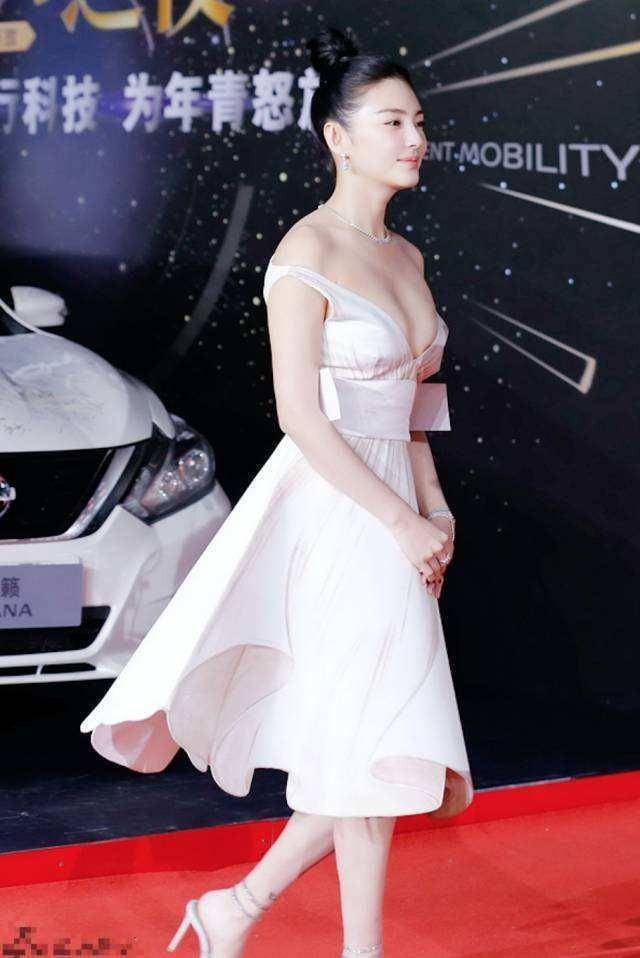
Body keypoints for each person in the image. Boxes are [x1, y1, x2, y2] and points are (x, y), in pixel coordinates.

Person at [80, 24, 474, 958]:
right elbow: (302, 414)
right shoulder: (306, 251)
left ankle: (236, 910)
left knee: (370, 739)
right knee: (369, 738)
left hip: (400, 507)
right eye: (393, 122)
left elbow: (416, 408)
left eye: (419, 121)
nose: (415, 138)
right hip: (339, 509)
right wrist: (398, 520)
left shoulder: (408, 258)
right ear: (338, 138)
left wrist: (436, 509)